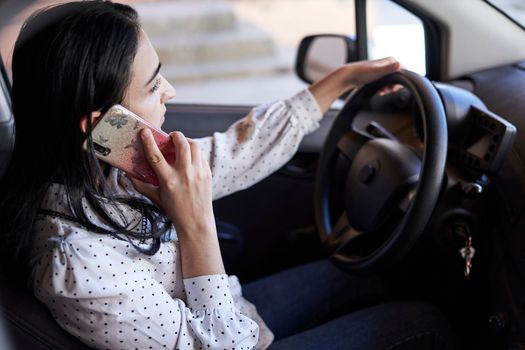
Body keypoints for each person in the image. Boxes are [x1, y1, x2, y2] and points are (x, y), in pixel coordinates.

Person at [0, 1, 459, 349]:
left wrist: (334, 84)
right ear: (100, 122)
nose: (171, 92)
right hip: (230, 338)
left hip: (235, 315)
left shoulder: (110, 168)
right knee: (422, 323)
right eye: (154, 84)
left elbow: (233, 153)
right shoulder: (78, 268)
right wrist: (195, 219)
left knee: (375, 276)